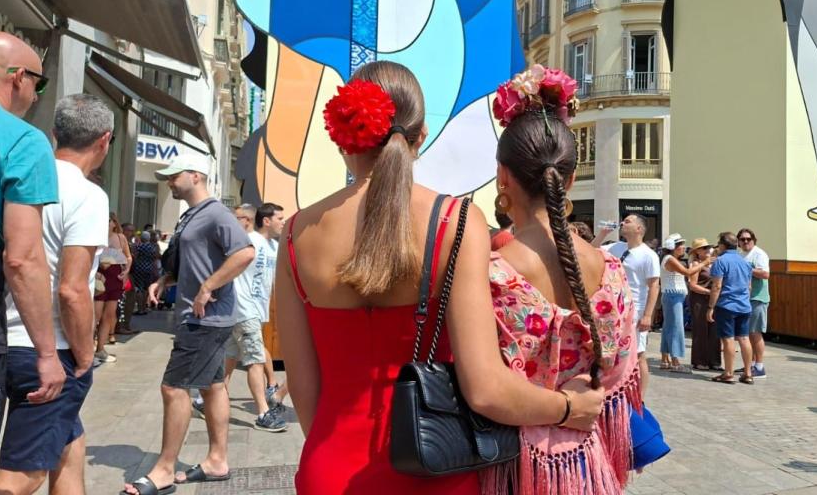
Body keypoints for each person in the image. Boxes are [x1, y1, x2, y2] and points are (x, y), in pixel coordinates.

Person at [273, 61, 605, 495]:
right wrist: (567, 408)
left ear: (340, 135)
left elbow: (303, 389)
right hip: (435, 470)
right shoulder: (456, 221)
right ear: (421, 136)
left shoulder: (296, 234)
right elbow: (485, 389)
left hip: (330, 469)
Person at [487, 70, 640, 493]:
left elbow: (478, 383)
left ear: (503, 176)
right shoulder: (611, 270)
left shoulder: (490, 274)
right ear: (570, 178)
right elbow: (619, 376)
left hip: (507, 464)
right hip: (586, 465)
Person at [0, 95, 112, 495]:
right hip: (49, 349)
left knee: (68, 440)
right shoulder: (88, 194)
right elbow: (74, 290)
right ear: (104, 141)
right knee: (21, 476)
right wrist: (87, 353)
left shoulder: (17, 174)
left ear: (54, 134)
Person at [0, 31, 65, 495]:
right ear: (19, 79)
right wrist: (47, 354)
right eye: (40, 85)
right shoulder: (21, 140)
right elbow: (22, 259)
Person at [125, 155, 255, 495]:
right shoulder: (192, 215)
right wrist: (165, 279)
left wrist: (208, 287)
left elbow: (244, 253)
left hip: (205, 318)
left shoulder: (216, 213)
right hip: (197, 315)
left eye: (173, 175)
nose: (168, 181)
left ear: (196, 175)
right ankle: (217, 461)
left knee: (173, 387)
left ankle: (165, 470)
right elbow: (194, 260)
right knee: (213, 386)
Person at [223, 203, 287, 432]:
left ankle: (205, 401)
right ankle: (262, 413)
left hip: (255, 311)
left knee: (230, 356)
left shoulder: (272, 246)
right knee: (255, 360)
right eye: (279, 218)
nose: (283, 221)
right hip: (243, 309)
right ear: (266, 220)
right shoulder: (249, 241)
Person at [607, 214, 661, 396]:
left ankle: (640, 396)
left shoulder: (648, 255)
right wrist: (602, 233)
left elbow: (654, 285)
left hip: (635, 309)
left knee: (638, 354)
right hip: (615, 309)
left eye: (628, 221)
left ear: (639, 229)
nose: (622, 223)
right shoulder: (616, 247)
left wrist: (647, 315)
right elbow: (589, 250)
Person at [708, 232, 755, 384]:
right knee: (744, 338)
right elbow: (749, 286)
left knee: (728, 339)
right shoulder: (745, 262)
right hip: (744, 305)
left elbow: (717, 286)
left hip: (727, 305)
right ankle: (748, 373)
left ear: (722, 245)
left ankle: (728, 373)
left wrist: (711, 307)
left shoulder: (720, 261)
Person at [658, 234, 709, 373]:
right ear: (672, 247)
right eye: (680, 245)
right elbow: (687, 272)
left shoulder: (670, 259)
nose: (683, 248)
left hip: (672, 297)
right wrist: (705, 263)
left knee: (669, 328)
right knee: (676, 328)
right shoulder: (670, 259)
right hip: (673, 296)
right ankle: (676, 362)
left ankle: (665, 359)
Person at [94, 215, 130, 364]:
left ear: (114, 223)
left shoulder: (120, 238)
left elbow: (128, 257)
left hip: (115, 277)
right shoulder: (95, 235)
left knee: (108, 315)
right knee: (94, 316)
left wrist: (126, 271)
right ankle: (89, 347)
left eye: (110, 220)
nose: (107, 223)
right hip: (99, 278)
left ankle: (100, 349)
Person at [738, 228, 770, 379]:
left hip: (758, 298)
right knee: (748, 333)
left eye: (748, 239)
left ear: (753, 240)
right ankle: (749, 365)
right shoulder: (741, 255)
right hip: (745, 298)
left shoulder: (759, 254)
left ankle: (760, 366)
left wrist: (748, 269)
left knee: (755, 333)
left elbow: (765, 274)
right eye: (742, 239)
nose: (745, 242)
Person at [688, 239, 721, 371]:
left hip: (712, 299)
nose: (708, 250)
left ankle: (714, 361)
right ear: (697, 251)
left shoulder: (714, 263)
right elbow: (692, 285)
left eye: (708, 247)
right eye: (704, 248)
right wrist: (709, 291)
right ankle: (699, 361)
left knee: (714, 330)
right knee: (701, 330)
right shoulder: (696, 264)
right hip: (699, 300)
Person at [130, 231, 161, 313]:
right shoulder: (152, 247)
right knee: (146, 289)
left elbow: (134, 256)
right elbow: (156, 257)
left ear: (141, 238)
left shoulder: (138, 246)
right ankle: (144, 308)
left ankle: (140, 309)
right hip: (149, 269)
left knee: (139, 288)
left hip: (139, 269)